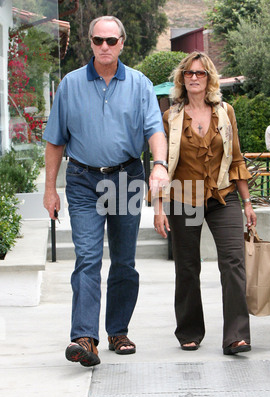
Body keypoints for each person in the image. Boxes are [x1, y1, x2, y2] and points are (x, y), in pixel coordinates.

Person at [43, 15, 168, 367]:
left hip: (127, 177)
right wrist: (50, 189)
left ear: (122, 43)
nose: (104, 47)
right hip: (83, 180)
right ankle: (85, 338)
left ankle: (117, 330)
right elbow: (55, 141)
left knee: (124, 262)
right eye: (98, 40)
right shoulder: (70, 84)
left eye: (111, 41)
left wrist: (159, 164)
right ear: (90, 43)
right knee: (87, 258)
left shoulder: (140, 84)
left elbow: (154, 131)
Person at [153, 52, 257, 355]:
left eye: (200, 73)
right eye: (188, 73)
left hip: (223, 197)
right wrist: (159, 208)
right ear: (182, 79)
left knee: (233, 262)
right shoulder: (170, 117)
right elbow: (161, 165)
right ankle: (189, 331)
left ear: (209, 77)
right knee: (187, 266)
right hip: (183, 197)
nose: (194, 78)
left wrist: (247, 202)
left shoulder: (226, 112)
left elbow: (236, 158)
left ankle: (236, 335)